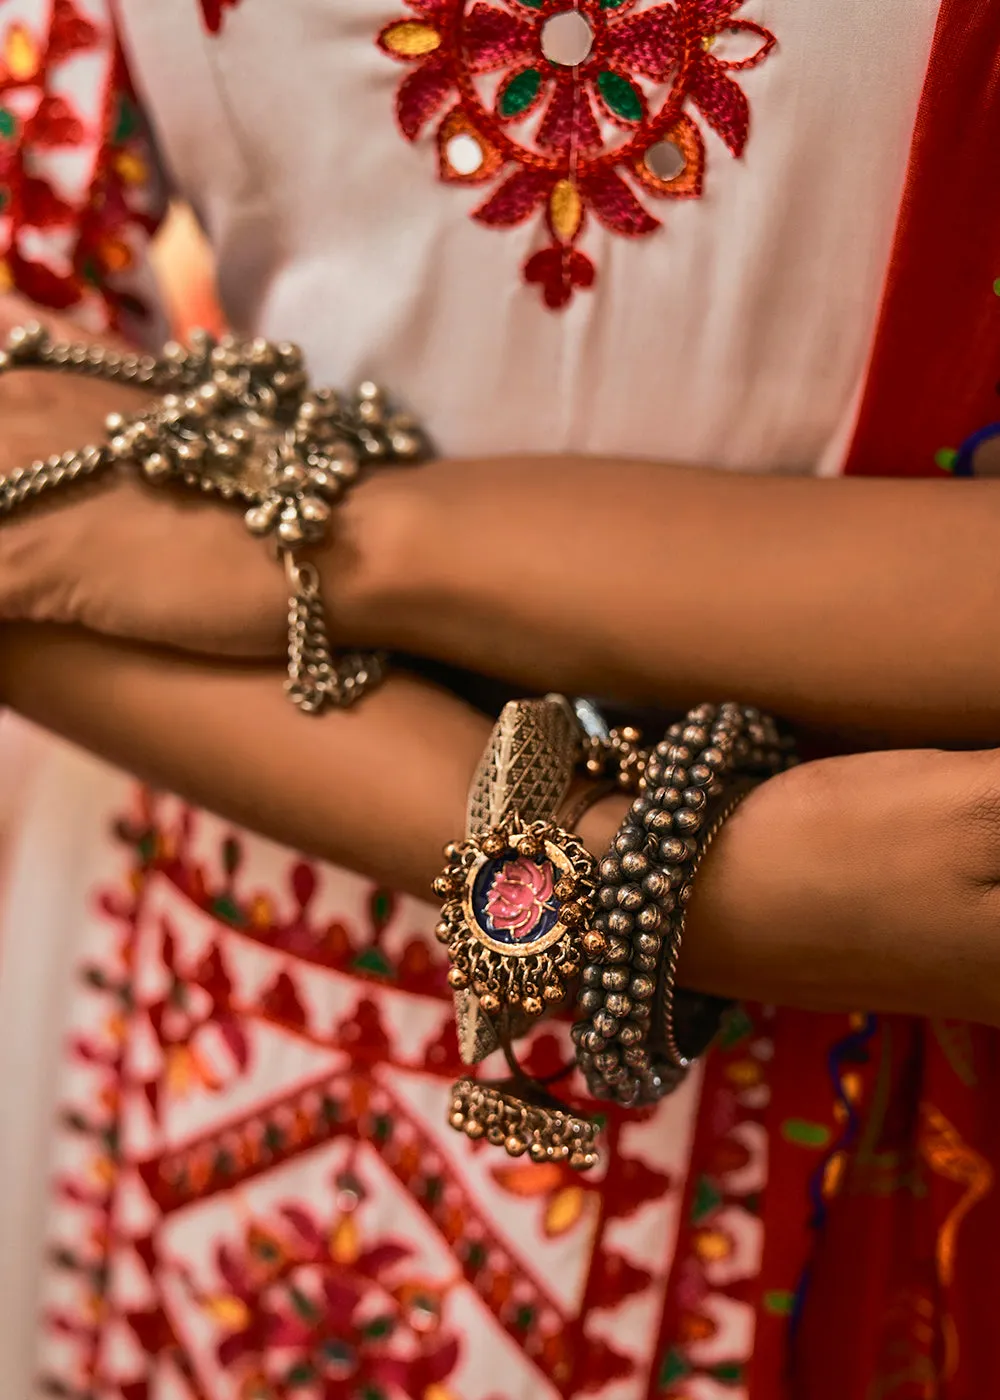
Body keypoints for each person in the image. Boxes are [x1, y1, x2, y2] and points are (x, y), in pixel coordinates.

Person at [1, 0, 999, 1395]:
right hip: (242, 982)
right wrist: (674, 892)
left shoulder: (261, 534)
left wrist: (344, 535)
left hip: (897, 1018)